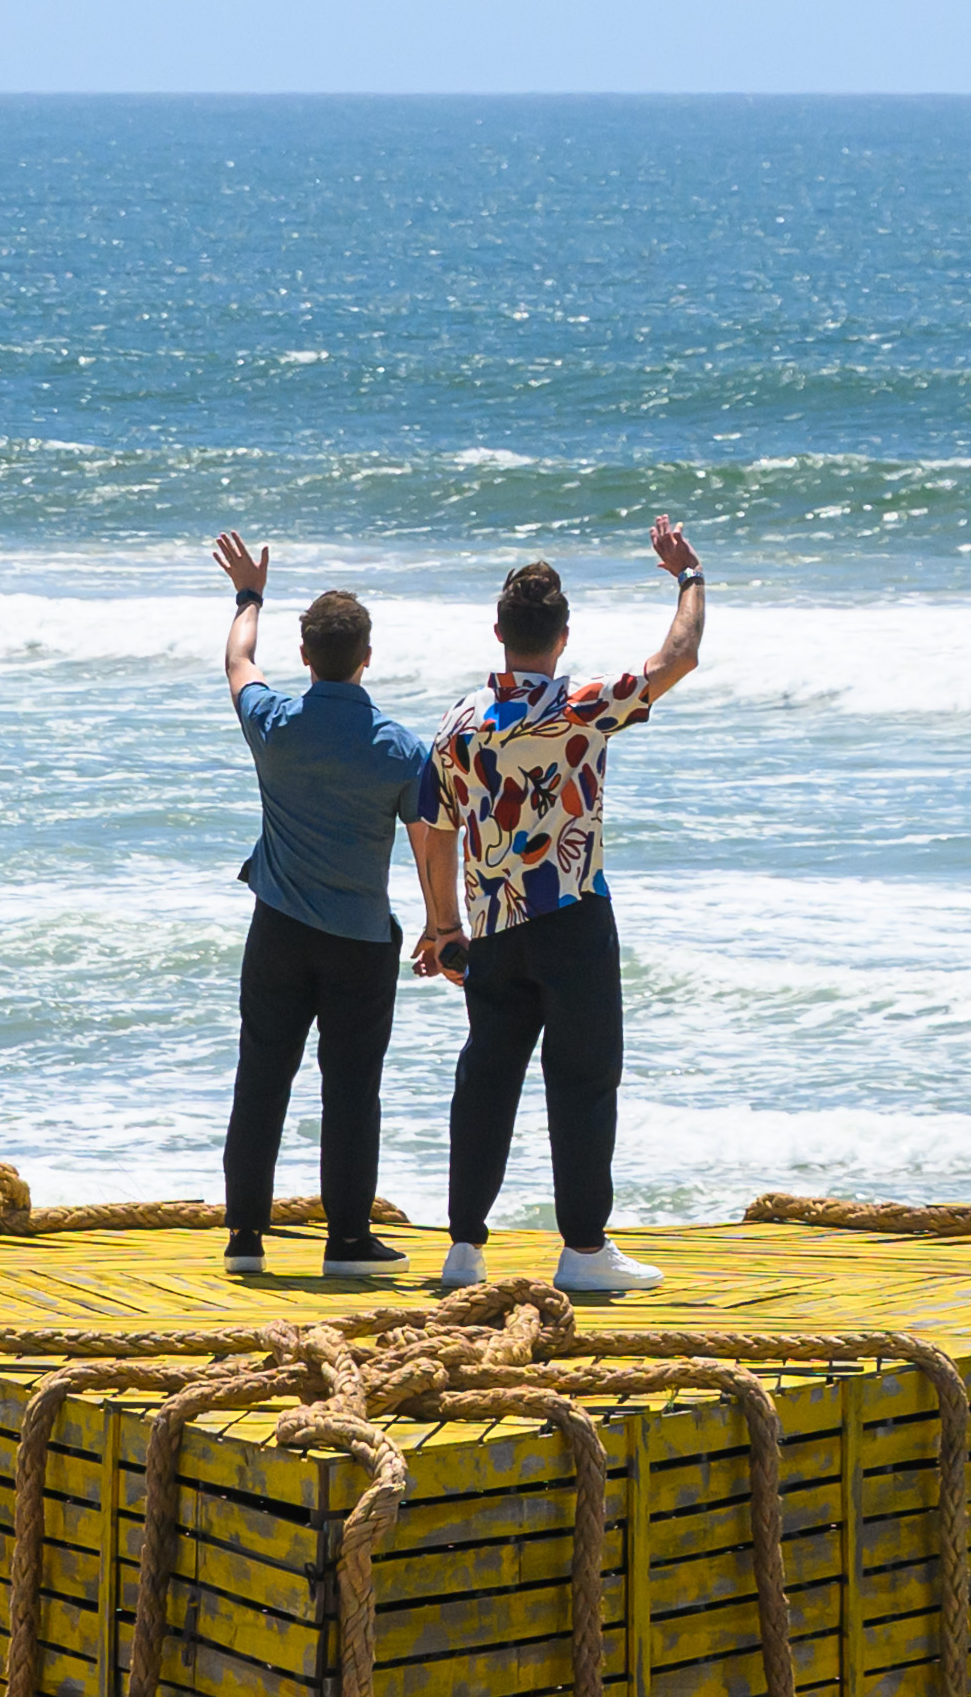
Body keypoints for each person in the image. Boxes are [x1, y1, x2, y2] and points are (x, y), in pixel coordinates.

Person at [412, 513, 703, 1299]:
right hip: (572, 915)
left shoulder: (459, 724)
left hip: (494, 928)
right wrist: (688, 578)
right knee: (582, 1080)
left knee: (486, 1082)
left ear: (498, 632)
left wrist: (443, 927)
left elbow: (433, 830)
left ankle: (464, 1248)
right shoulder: (577, 705)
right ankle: (582, 1249)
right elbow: (680, 658)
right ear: (561, 636)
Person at [210, 532, 434, 1282]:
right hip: (360, 939)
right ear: (366, 657)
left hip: (277, 928)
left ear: (306, 657)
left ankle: (245, 1234)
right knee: (351, 1088)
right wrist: (443, 925)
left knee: (261, 1077)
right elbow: (430, 841)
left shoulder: (274, 723)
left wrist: (249, 597)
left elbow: (239, 660)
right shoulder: (401, 750)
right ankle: (346, 1240)